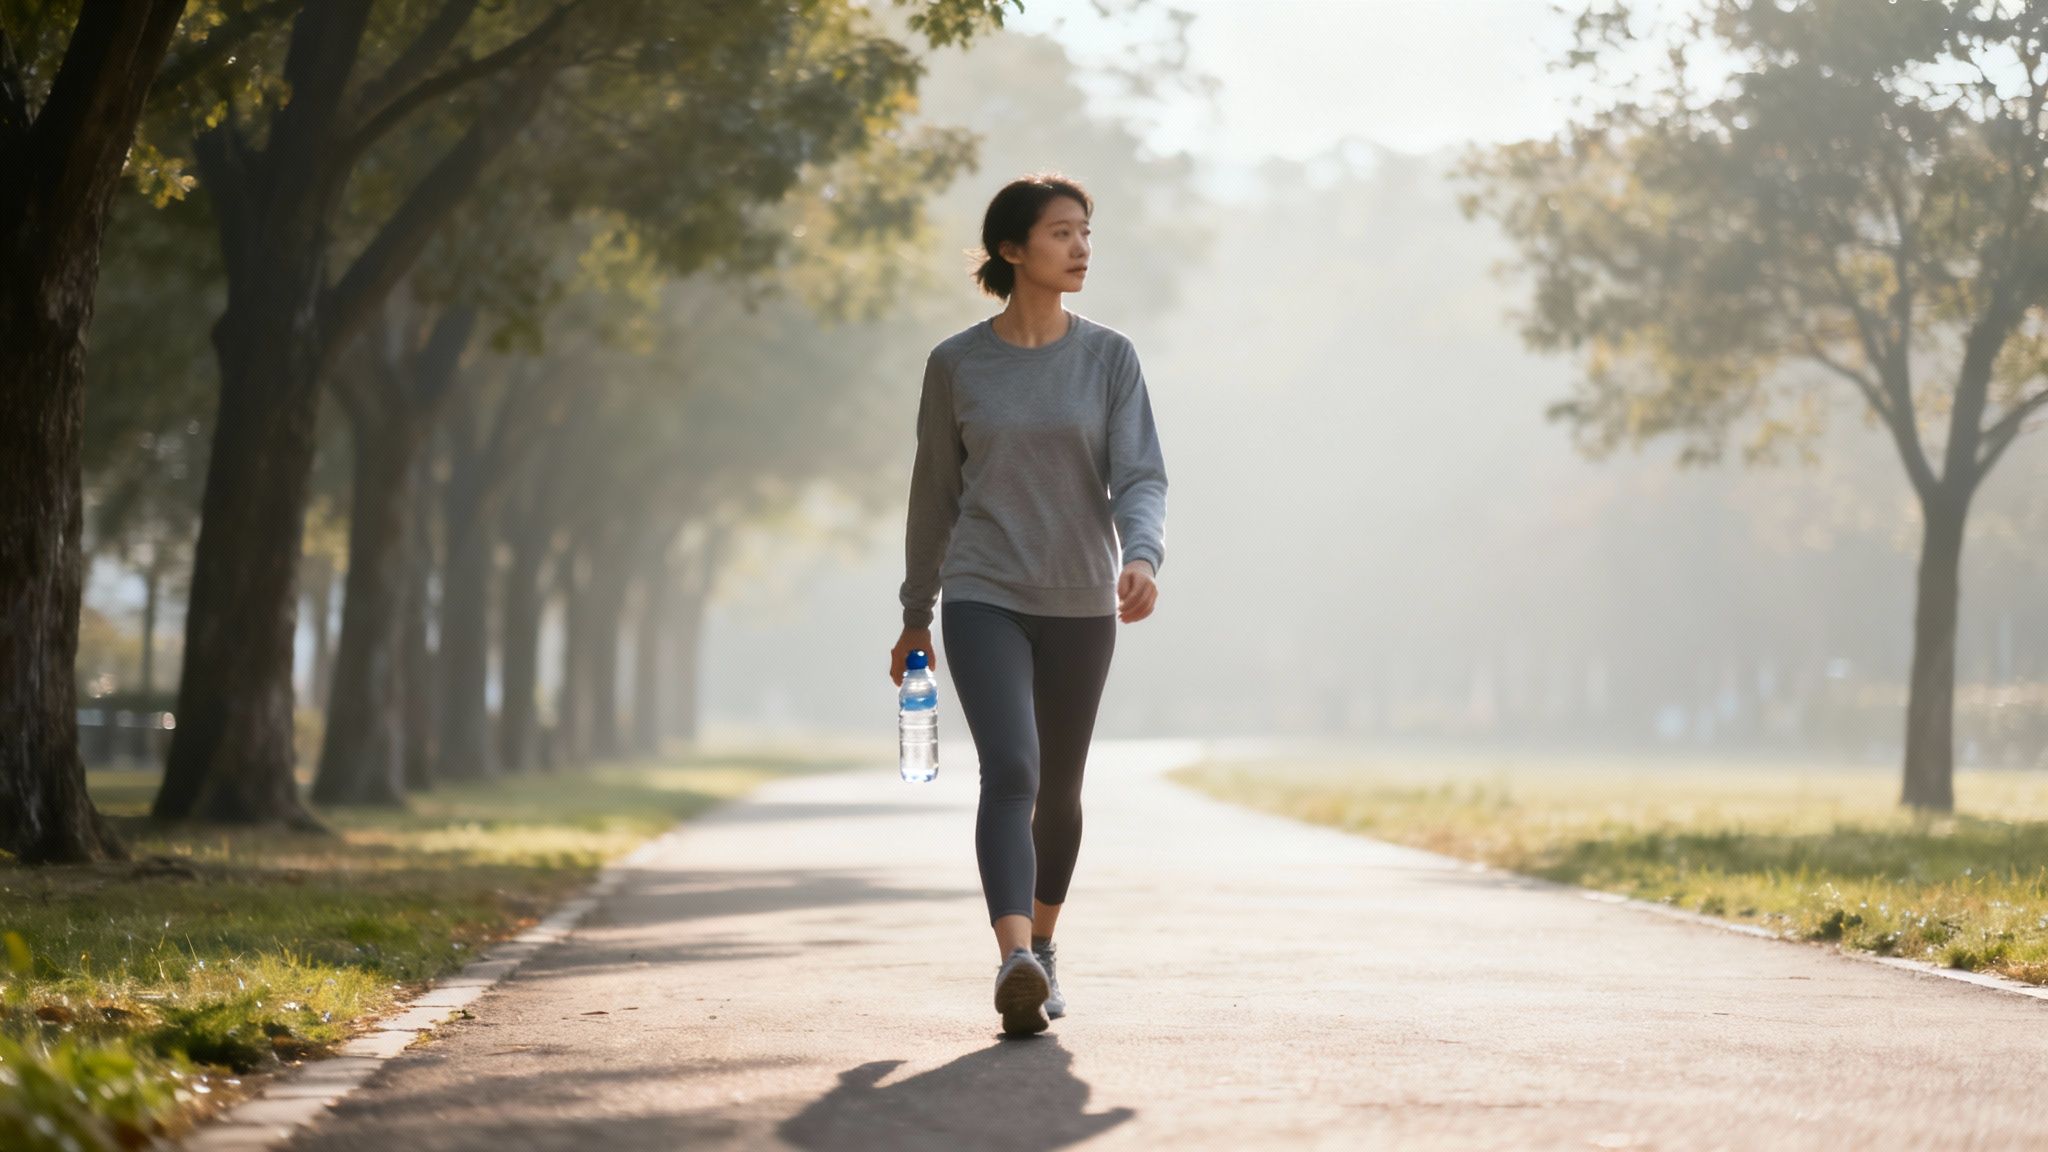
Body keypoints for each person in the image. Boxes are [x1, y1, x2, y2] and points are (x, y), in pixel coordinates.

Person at [888, 173, 1169, 1037]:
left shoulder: (1109, 357)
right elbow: (934, 493)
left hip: (1082, 596)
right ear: (1012, 250)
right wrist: (916, 611)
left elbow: (1140, 474)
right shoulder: (957, 364)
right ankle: (1012, 955)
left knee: (1061, 789)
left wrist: (1144, 554)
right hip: (985, 594)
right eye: (1061, 234)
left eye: (1086, 233)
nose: (1081, 248)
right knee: (1012, 768)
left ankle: (1043, 945)